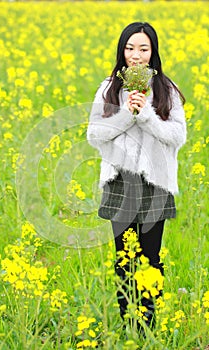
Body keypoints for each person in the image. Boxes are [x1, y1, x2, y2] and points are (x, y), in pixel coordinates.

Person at [87, 22, 186, 334]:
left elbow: (177, 136)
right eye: (130, 48)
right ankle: (128, 325)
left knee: (151, 257)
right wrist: (126, 114)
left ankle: (149, 327)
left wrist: (146, 115)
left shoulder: (166, 90)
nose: (136, 55)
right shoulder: (108, 88)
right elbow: (94, 135)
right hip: (120, 182)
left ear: (153, 52)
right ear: (122, 51)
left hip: (155, 184)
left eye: (143, 48)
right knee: (123, 260)